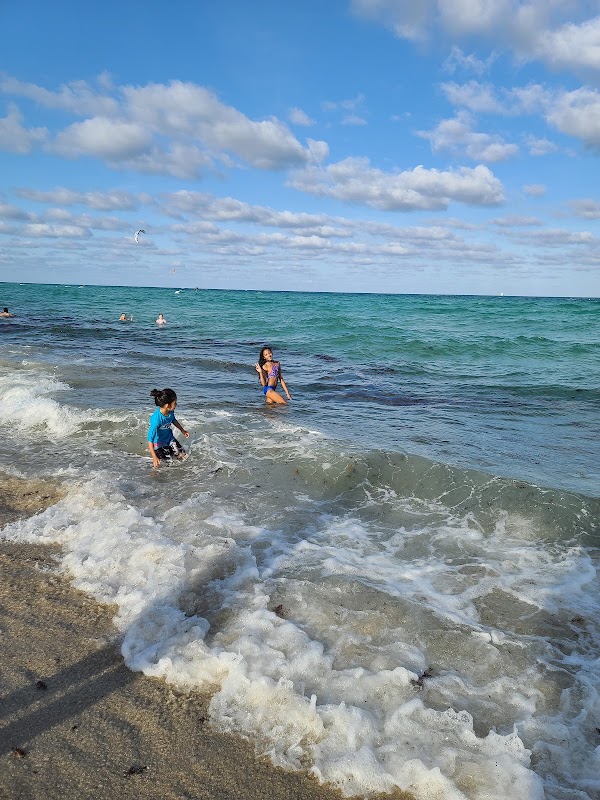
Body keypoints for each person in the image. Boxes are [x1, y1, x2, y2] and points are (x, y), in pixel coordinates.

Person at [147, 388, 190, 468]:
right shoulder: (156, 420)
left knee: (183, 455)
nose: (176, 404)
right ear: (167, 405)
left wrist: (183, 431)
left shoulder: (170, 412)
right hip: (159, 443)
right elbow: (150, 439)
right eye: (175, 403)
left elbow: (173, 420)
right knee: (166, 463)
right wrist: (154, 457)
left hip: (170, 439)